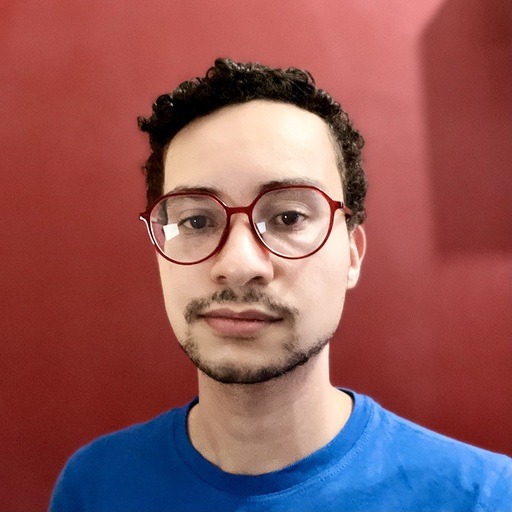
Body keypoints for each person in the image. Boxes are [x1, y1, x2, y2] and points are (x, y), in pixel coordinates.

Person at [50, 58, 511, 512]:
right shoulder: (95, 486)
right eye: (196, 221)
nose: (238, 265)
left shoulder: (484, 498)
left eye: (288, 217)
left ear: (352, 254)